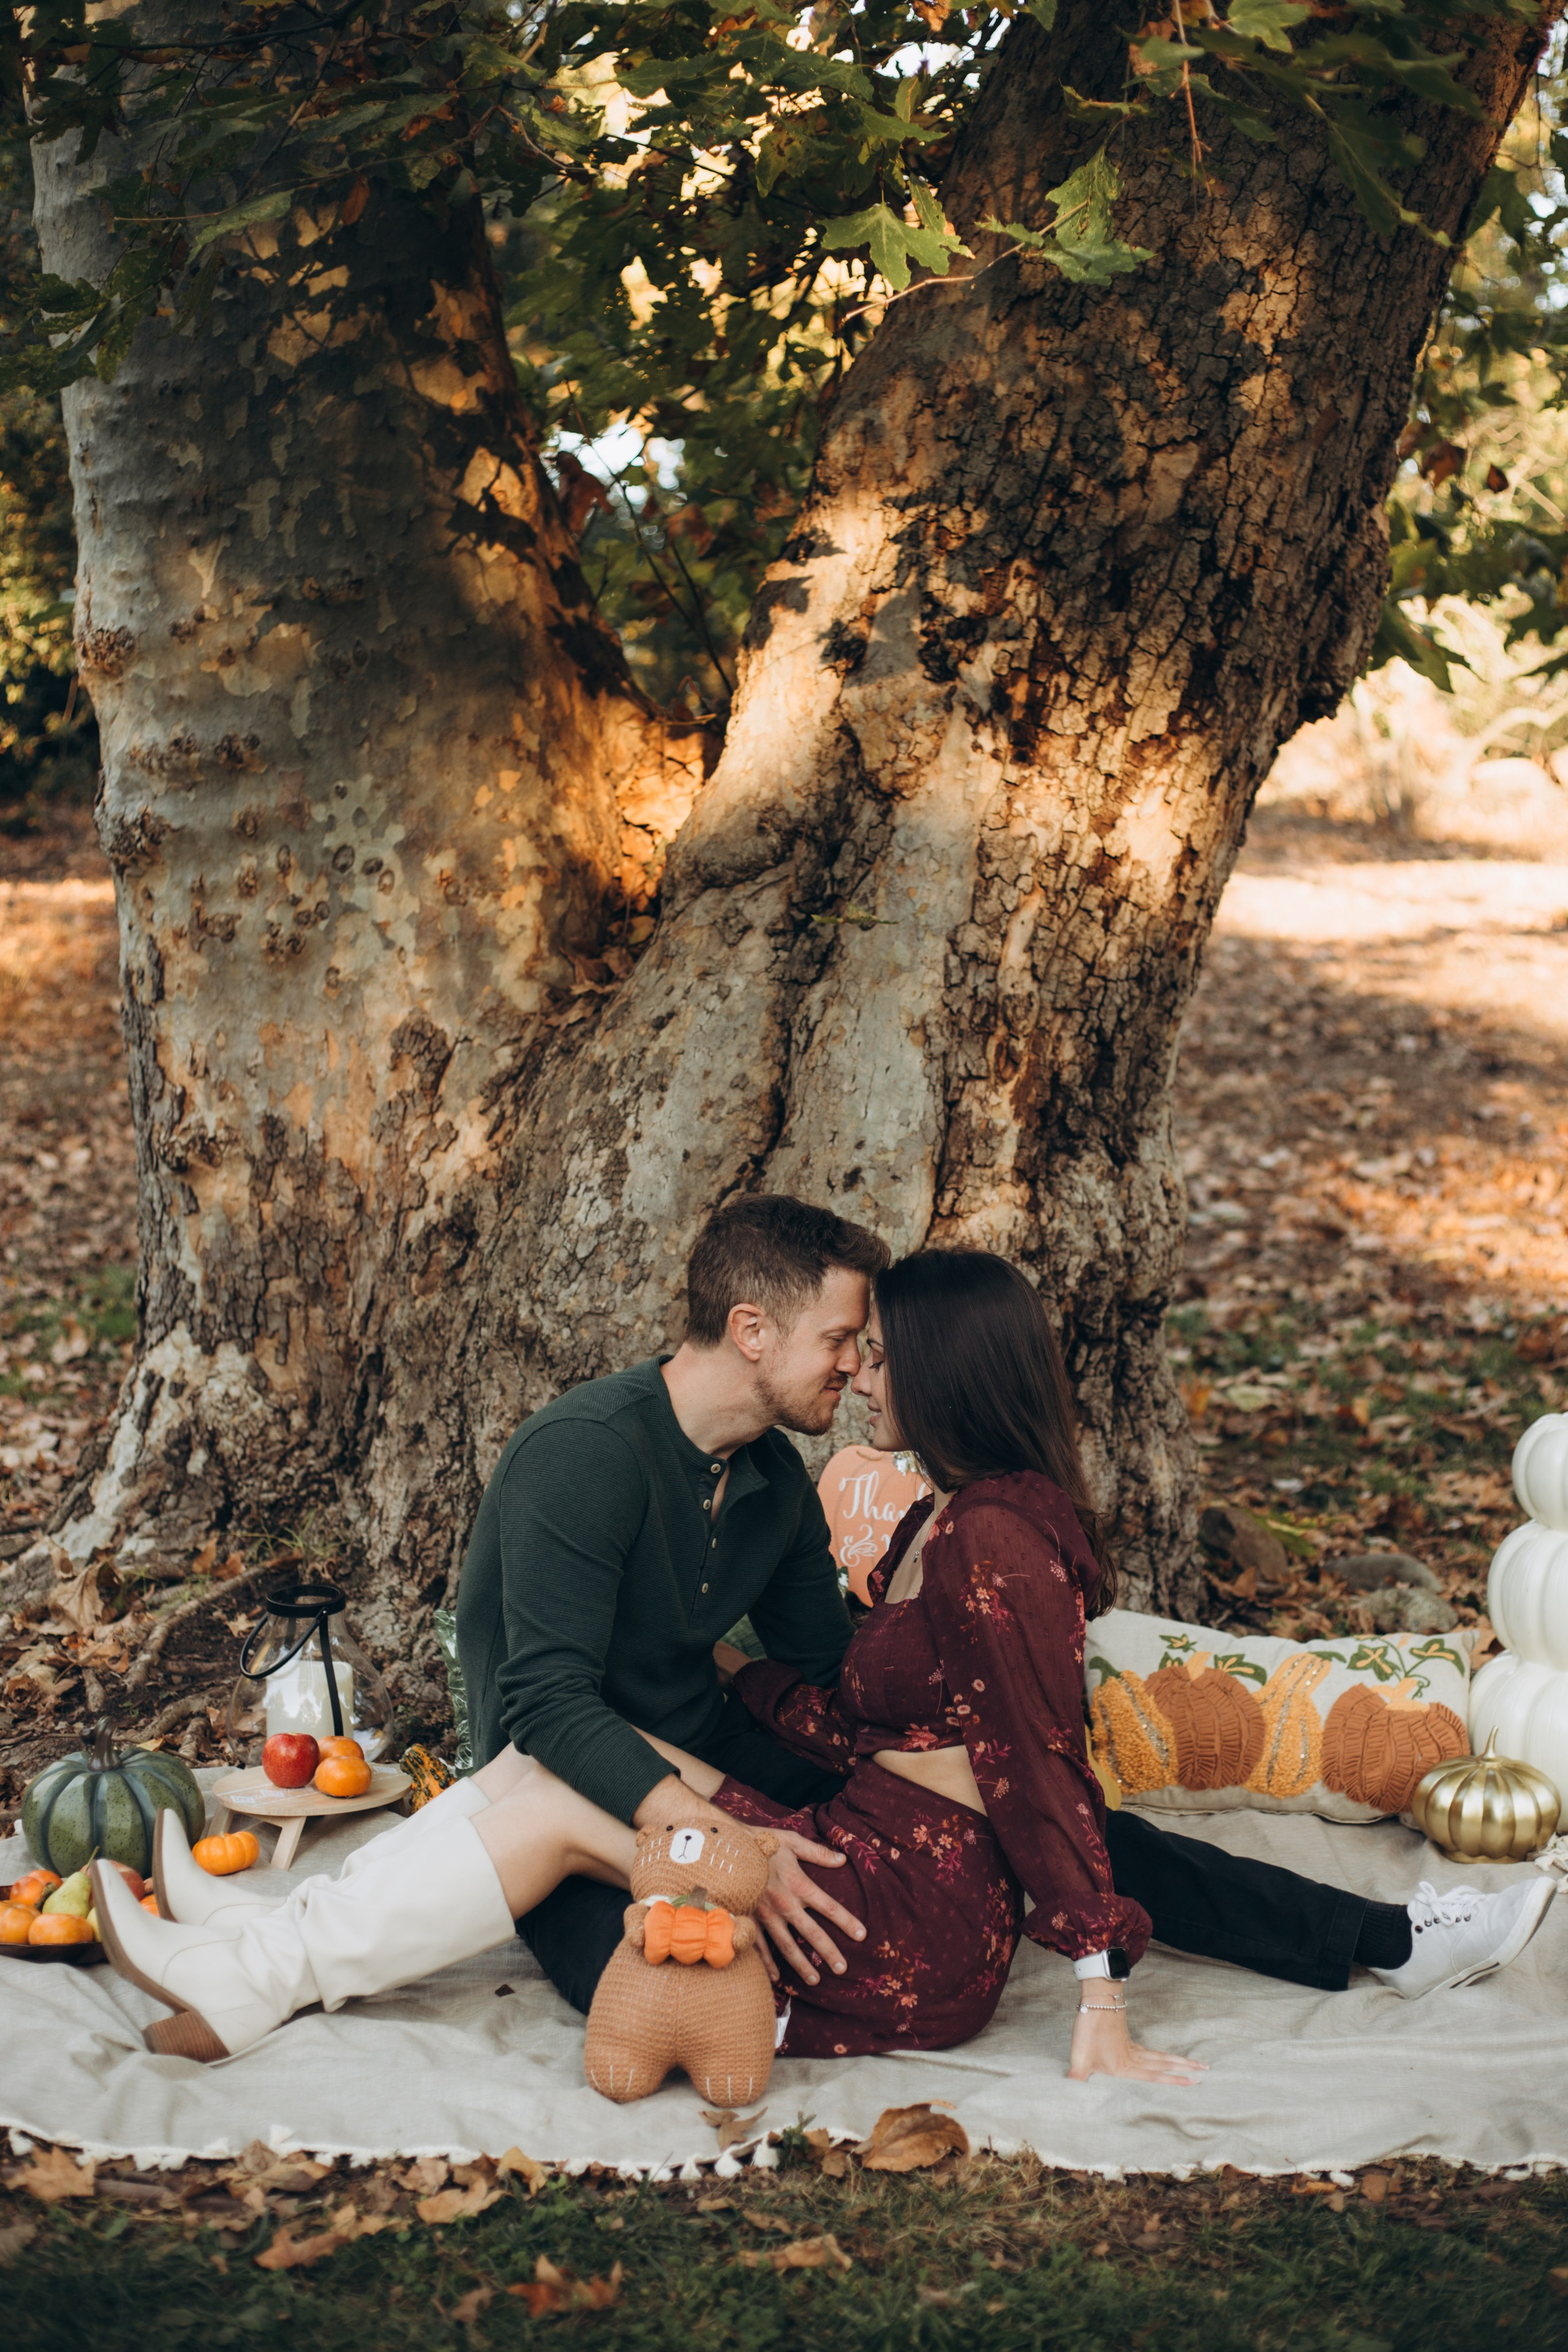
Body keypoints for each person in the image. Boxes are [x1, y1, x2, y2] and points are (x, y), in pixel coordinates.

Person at [93, 1241, 1554, 2072]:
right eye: (840, 1342)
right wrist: (730, 1793)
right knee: (534, 1788)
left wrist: (1089, 1984)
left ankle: (251, 1975)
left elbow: (991, 1741)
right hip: (645, 1758)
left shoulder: (867, 1508)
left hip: (823, 1835)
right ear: (751, 1332)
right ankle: (245, 1960)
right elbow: (572, 1697)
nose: (856, 1368)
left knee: (1051, 1819)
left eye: (875, 1347)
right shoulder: (590, 1462)